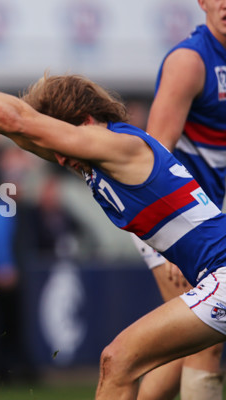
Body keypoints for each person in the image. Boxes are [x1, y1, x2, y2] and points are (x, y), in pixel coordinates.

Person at [0, 13, 226, 399]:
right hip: (213, 275)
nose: (57, 160)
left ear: (84, 122)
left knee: (118, 359)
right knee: (133, 361)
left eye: (60, 143)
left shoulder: (119, 145)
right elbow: (16, 131)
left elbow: (19, 121)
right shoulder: (100, 158)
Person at [132, 1, 226, 399]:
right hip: (175, 218)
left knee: (187, 345)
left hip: (215, 218)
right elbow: (154, 162)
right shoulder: (190, 61)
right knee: (208, 335)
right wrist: (174, 247)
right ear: (202, 2)